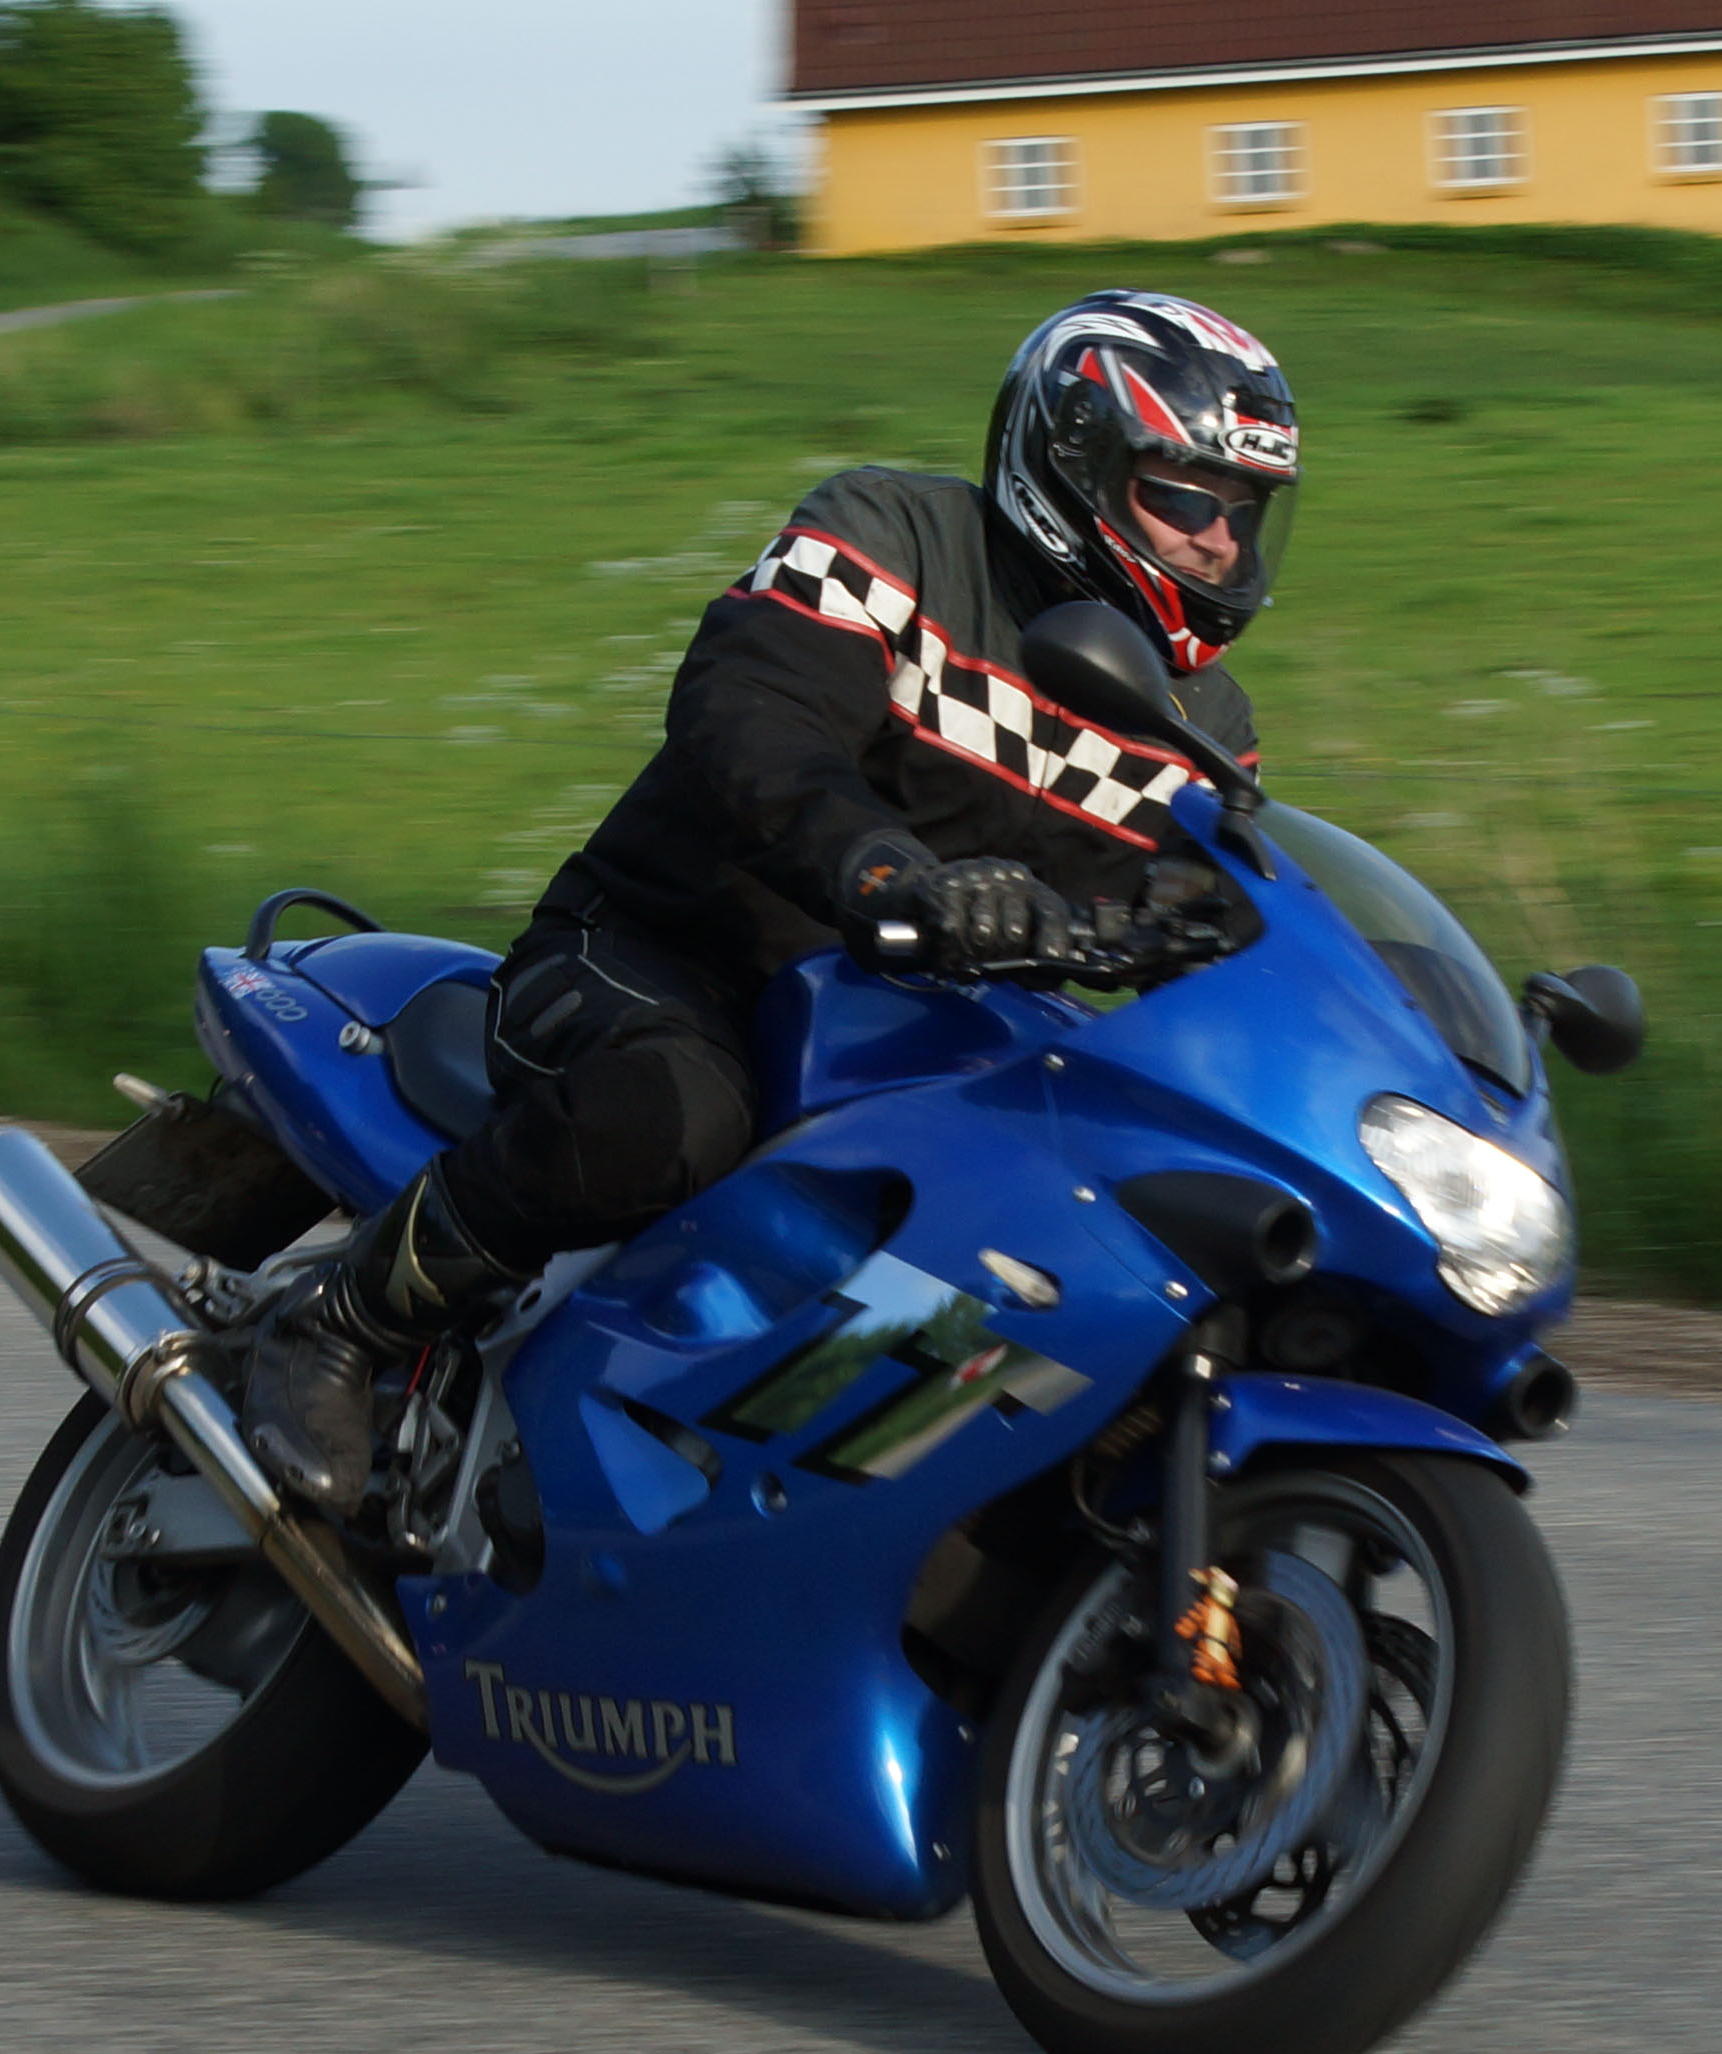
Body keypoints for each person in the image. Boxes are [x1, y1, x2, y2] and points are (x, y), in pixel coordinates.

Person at [244, 289, 1304, 1513]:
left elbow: (1219, 912)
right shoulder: (889, 535)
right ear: (1070, 465)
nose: (1219, 543)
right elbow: (751, 720)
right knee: (671, 1119)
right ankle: (340, 1320)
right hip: (670, 950)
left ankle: (754, 1511)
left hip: (913, 1048)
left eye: (1242, 512)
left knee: (1045, 1264)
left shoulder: (1198, 722)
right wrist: (886, 872)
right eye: (1184, 499)